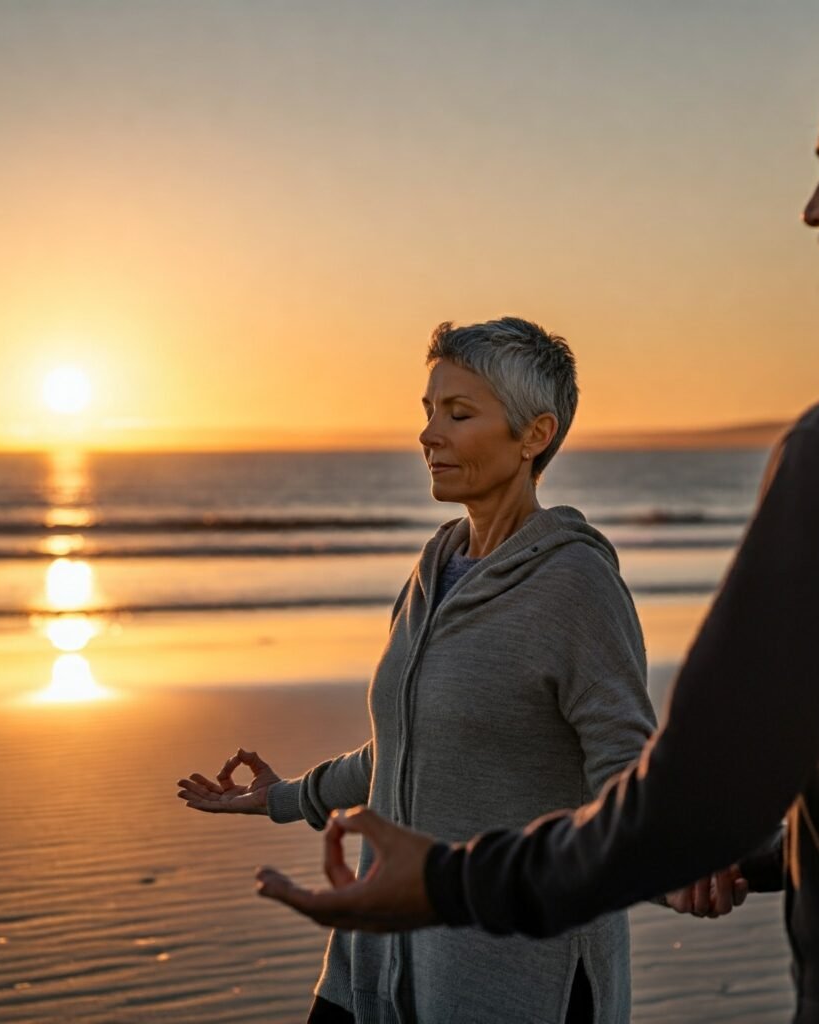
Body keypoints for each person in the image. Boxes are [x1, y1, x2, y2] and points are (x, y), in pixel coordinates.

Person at [258, 13, 819, 1022]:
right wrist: (287, 794)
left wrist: (454, 882)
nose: (815, 204)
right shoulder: (431, 568)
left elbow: (683, 793)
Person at [180, 317, 711, 1023]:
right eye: (428, 412)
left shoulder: (577, 585)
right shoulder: (435, 567)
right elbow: (407, 745)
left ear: (534, 436)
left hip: (514, 981)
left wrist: (673, 871)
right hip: (374, 965)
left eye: (458, 414)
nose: (429, 434)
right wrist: (282, 797)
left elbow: (626, 770)